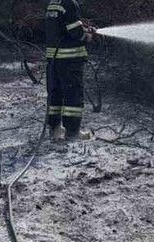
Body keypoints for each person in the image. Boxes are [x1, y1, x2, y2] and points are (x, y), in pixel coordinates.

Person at [44, 0, 96, 141]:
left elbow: (61, 27)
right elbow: (75, 31)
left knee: (55, 94)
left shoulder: (53, 3)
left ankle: (54, 129)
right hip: (70, 59)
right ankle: (73, 132)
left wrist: (83, 28)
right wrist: (87, 36)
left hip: (54, 59)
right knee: (73, 95)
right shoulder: (69, 3)